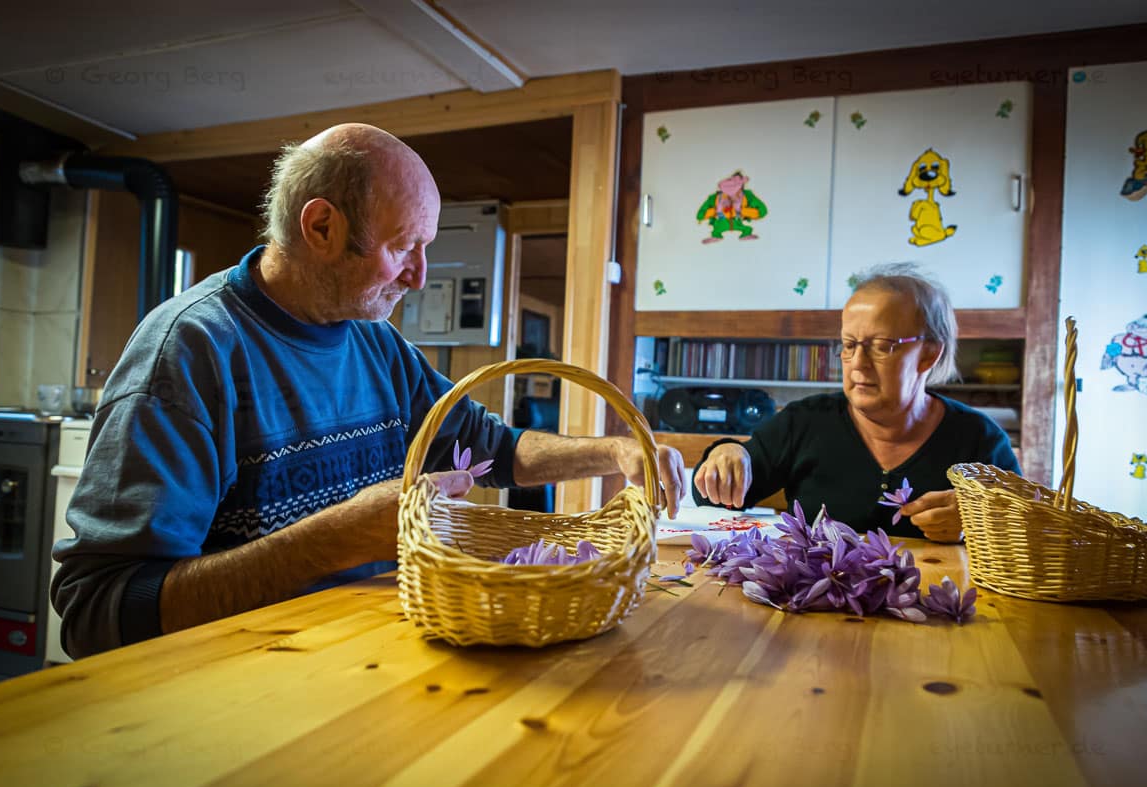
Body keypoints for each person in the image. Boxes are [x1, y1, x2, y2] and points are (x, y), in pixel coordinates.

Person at [53, 124, 685, 658]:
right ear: (322, 227)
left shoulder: (374, 343)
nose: (418, 275)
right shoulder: (191, 353)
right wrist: (336, 539)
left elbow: (490, 448)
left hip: (366, 662)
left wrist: (613, 453)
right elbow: (97, 612)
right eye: (403, 246)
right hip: (232, 693)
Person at [693, 266, 1019, 542]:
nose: (857, 364)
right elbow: (711, 498)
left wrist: (977, 525)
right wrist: (725, 454)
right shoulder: (804, 422)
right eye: (849, 345)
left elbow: (1024, 531)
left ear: (929, 353)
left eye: (880, 346)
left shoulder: (979, 440)